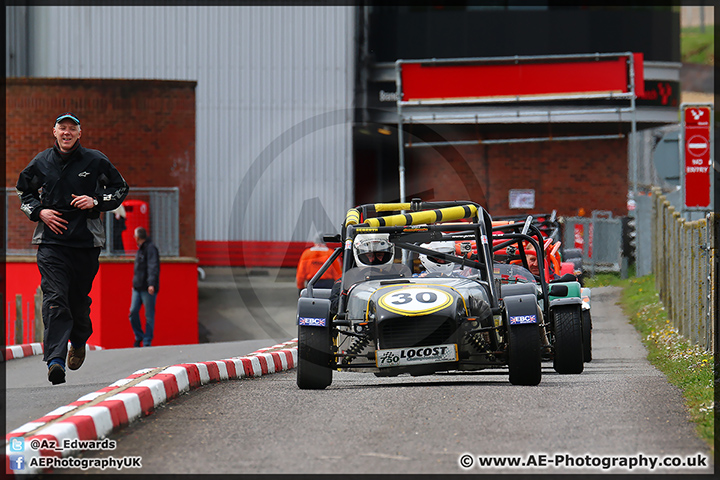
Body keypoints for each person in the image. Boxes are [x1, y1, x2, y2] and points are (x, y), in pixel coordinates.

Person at [16, 112, 129, 385]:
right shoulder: (41, 162)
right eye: (62, 128)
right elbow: (23, 191)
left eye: (72, 129)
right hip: (51, 244)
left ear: (80, 133)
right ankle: (55, 361)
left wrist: (95, 200)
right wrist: (39, 212)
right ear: (54, 132)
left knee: (77, 302)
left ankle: (79, 339)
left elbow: (120, 188)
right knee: (55, 298)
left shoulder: (95, 160)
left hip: (85, 244)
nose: (67, 133)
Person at [129, 226, 160, 347]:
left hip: (147, 287)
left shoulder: (150, 249)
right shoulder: (141, 249)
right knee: (133, 312)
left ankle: (147, 341)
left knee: (149, 316)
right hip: (137, 287)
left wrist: (151, 284)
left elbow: (153, 267)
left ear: (137, 237)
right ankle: (139, 335)